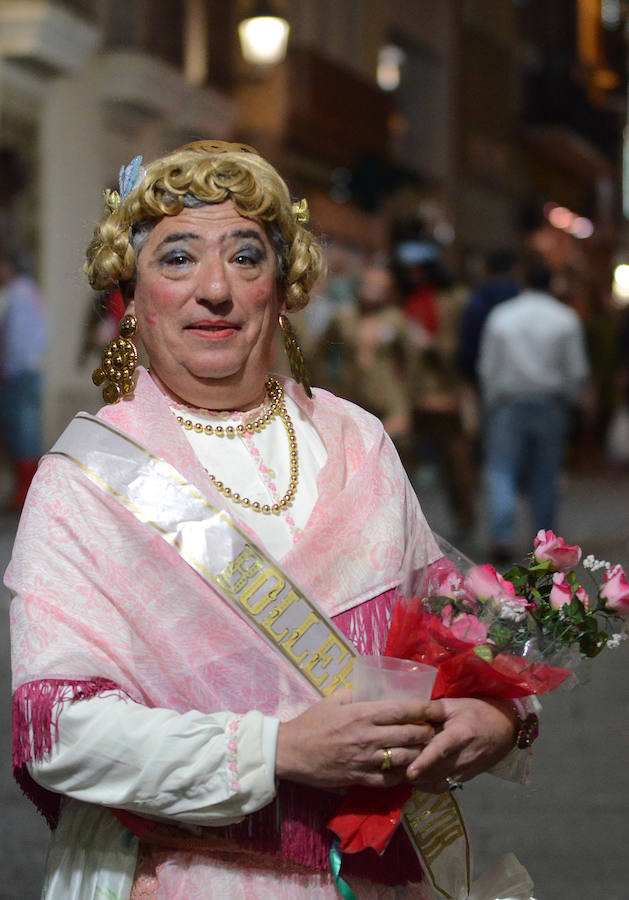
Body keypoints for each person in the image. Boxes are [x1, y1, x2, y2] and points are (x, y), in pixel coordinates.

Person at [9, 141, 531, 900]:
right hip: (181, 874)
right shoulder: (84, 482)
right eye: (177, 259)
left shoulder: (355, 441)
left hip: (375, 877)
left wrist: (496, 713)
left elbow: (449, 628)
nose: (215, 289)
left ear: (281, 290)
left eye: (245, 257)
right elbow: (59, 731)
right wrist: (275, 750)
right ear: (131, 297)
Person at [478, 253, 590, 562]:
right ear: (552, 283)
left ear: (522, 281)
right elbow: (576, 370)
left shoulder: (502, 316)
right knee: (547, 473)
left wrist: (490, 402)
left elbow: (488, 367)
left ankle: (502, 535)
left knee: (502, 470)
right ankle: (545, 541)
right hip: (551, 403)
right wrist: (571, 401)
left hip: (509, 403)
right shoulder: (565, 318)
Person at [0, 249, 48, 508]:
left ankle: (26, 489)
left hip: (20, 370)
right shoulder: (30, 291)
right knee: (26, 425)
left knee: (22, 427)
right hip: (31, 366)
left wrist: (7, 368)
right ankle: (26, 488)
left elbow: (15, 337)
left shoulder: (18, 293)